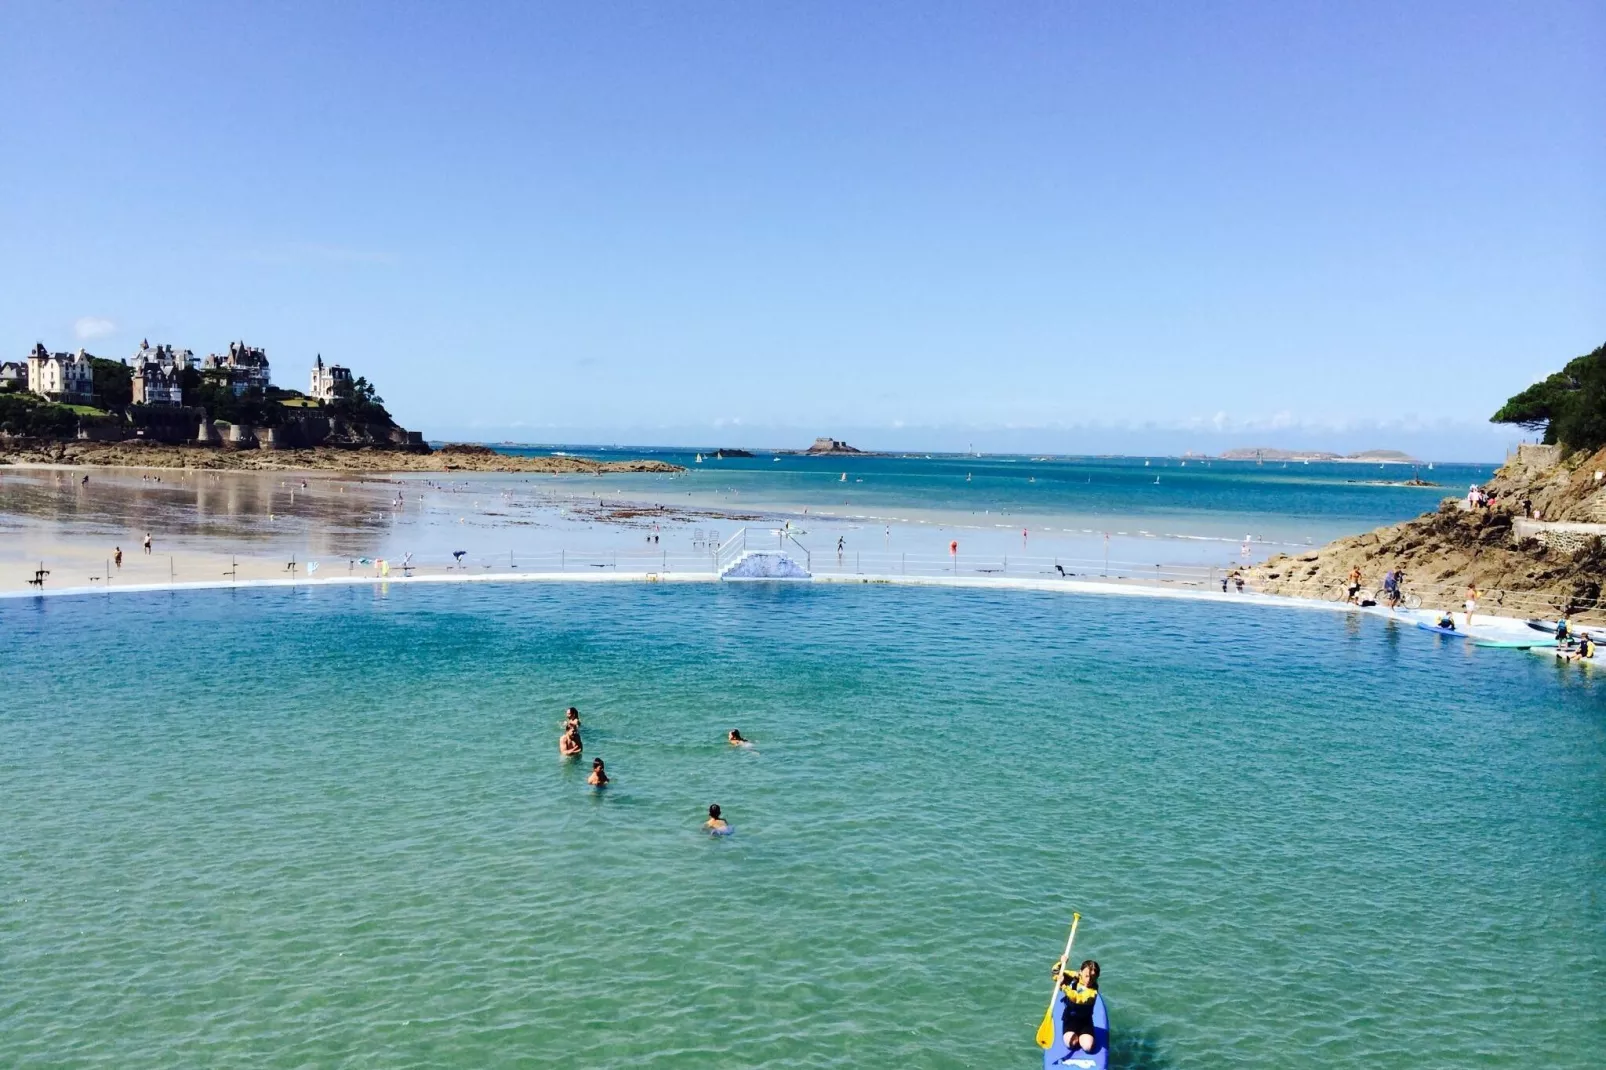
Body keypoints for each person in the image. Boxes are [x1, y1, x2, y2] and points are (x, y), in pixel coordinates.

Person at [1051, 959, 1102, 1054]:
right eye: (1086, 976)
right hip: (1070, 1018)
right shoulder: (1076, 976)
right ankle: (1075, 1036)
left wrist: (1063, 986)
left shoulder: (1092, 992)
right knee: (1072, 1043)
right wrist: (1062, 963)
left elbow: (1077, 998)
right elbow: (1055, 972)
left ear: (1097, 977)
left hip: (1085, 1021)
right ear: (1080, 972)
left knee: (1088, 1047)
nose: (1089, 980)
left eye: (1093, 977)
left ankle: (1083, 1037)